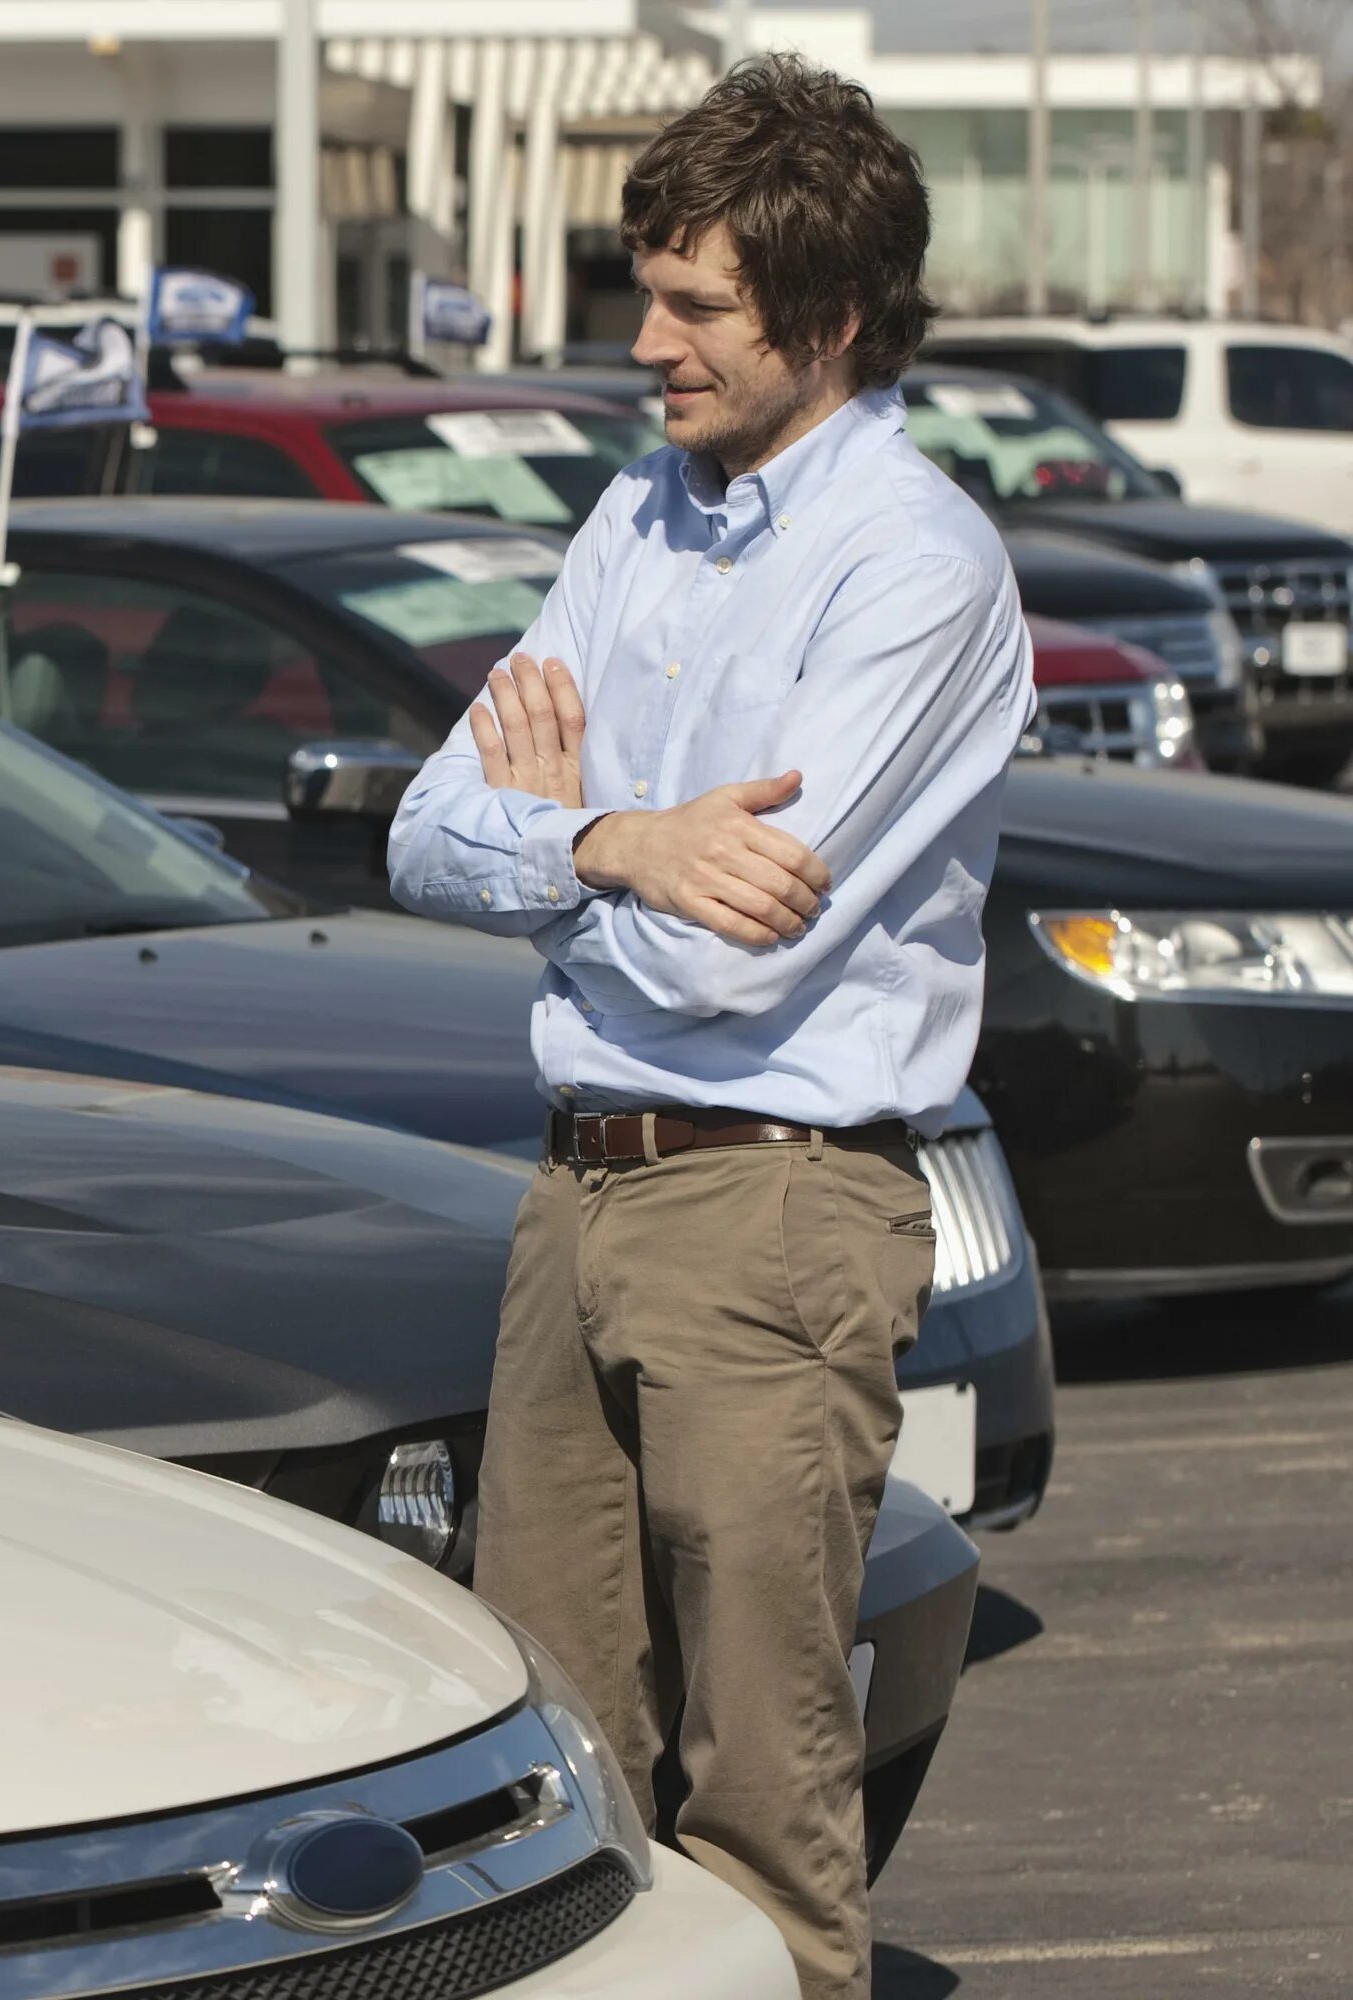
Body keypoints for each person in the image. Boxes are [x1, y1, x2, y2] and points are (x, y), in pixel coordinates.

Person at [384, 55, 1032, 2000]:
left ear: (826, 323)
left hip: (771, 1214)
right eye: (640, 288)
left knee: (762, 1798)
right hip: (577, 1198)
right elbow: (431, 829)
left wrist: (580, 863)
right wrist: (612, 840)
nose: (639, 342)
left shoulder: (909, 565)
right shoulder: (643, 516)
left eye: (692, 307)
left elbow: (738, 962)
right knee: (552, 1773)